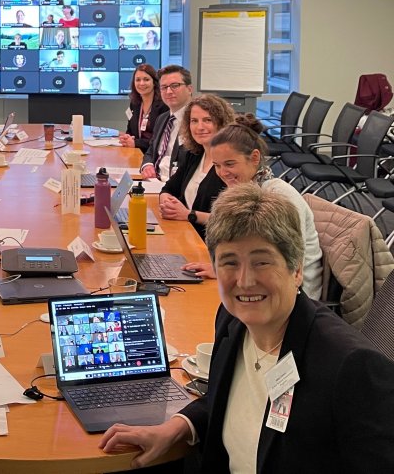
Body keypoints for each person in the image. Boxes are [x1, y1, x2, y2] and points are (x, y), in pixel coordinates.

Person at [99, 184, 394, 472]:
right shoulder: (233, 321)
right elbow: (226, 397)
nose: (245, 280)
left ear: (297, 270)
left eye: (261, 262)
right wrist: (178, 427)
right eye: (229, 262)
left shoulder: (350, 367)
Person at [179, 115, 324, 297]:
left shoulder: (280, 197)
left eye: (230, 164)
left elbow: (290, 265)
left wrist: (225, 272)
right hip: (259, 279)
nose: (223, 173)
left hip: (293, 295)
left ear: (255, 158)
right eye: (217, 166)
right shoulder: (243, 190)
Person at [159, 94, 235, 239]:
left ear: (222, 123)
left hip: (210, 242)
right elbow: (168, 188)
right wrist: (167, 202)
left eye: (207, 120)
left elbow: (233, 221)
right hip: (185, 233)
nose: (200, 127)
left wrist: (189, 215)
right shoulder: (193, 154)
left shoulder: (230, 163)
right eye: (194, 121)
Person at [140, 65, 194, 181]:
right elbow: (151, 150)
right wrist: (147, 165)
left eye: (175, 86)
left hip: (177, 188)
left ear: (189, 89)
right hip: (154, 182)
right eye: (164, 87)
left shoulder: (197, 121)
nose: (169, 91)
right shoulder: (162, 119)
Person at [119, 64, 169, 152]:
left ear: (154, 82)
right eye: (138, 80)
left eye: (146, 79)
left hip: (154, 156)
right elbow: (130, 130)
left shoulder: (163, 105)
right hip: (135, 152)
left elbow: (161, 139)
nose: (141, 83)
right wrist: (127, 138)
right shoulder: (134, 104)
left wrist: (136, 143)